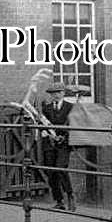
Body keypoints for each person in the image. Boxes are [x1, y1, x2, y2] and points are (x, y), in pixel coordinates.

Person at [41, 81, 75, 211]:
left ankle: (70, 195)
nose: (55, 95)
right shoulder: (47, 108)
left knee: (60, 168)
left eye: (58, 93)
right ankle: (59, 201)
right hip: (50, 143)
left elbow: (74, 126)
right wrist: (48, 135)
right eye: (53, 93)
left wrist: (64, 137)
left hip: (64, 144)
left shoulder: (70, 107)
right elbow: (43, 126)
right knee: (51, 171)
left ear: (63, 93)